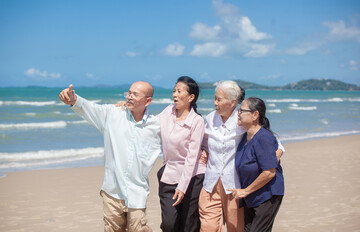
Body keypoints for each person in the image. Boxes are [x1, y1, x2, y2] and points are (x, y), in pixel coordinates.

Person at [59, 82, 162, 232]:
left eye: (135, 94)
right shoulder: (112, 114)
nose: (129, 96)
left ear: (148, 101)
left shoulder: (157, 125)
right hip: (112, 192)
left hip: (137, 191)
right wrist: (73, 99)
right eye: (128, 93)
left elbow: (176, 138)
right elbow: (89, 108)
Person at [199, 81, 285, 232]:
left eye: (219, 99)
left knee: (236, 228)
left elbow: (274, 143)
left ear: (232, 102)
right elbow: (204, 139)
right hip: (211, 182)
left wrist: (272, 161)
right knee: (208, 227)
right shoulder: (211, 118)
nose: (215, 103)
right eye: (215, 98)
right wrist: (204, 150)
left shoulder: (243, 118)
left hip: (233, 184)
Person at [157, 76, 206, 232]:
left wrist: (182, 187)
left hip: (192, 178)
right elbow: (149, 124)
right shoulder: (167, 112)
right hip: (169, 174)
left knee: (189, 225)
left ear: (191, 97)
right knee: (169, 224)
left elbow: (192, 158)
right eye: (174, 91)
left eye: (179, 91)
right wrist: (129, 110)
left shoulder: (197, 121)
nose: (175, 95)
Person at [228, 97, 284, 232]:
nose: (238, 114)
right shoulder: (244, 137)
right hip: (251, 197)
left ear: (255, 115)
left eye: (242, 110)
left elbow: (269, 172)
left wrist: (245, 191)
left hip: (267, 195)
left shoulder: (263, 138)